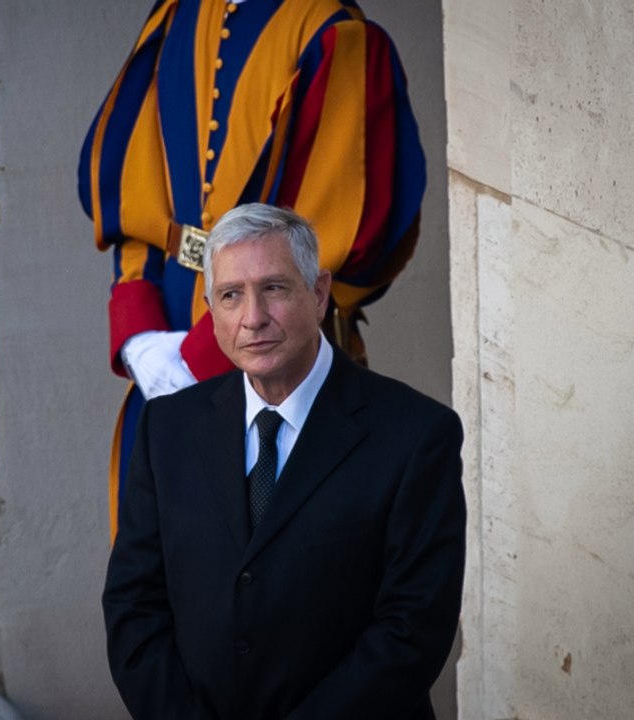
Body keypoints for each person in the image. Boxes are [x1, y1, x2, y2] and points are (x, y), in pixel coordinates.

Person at [77, 0, 428, 536]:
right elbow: (135, 190)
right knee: (155, 578)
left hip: (278, 367)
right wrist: (138, 334)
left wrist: (200, 358)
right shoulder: (177, 16)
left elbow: (329, 238)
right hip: (163, 347)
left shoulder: (332, 30)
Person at [103, 204, 465, 720]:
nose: (253, 318)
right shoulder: (167, 429)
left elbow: (411, 631)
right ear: (211, 309)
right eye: (231, 296)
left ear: (318, 294)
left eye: (273, 288)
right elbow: (133, 608)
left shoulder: (415, 435)